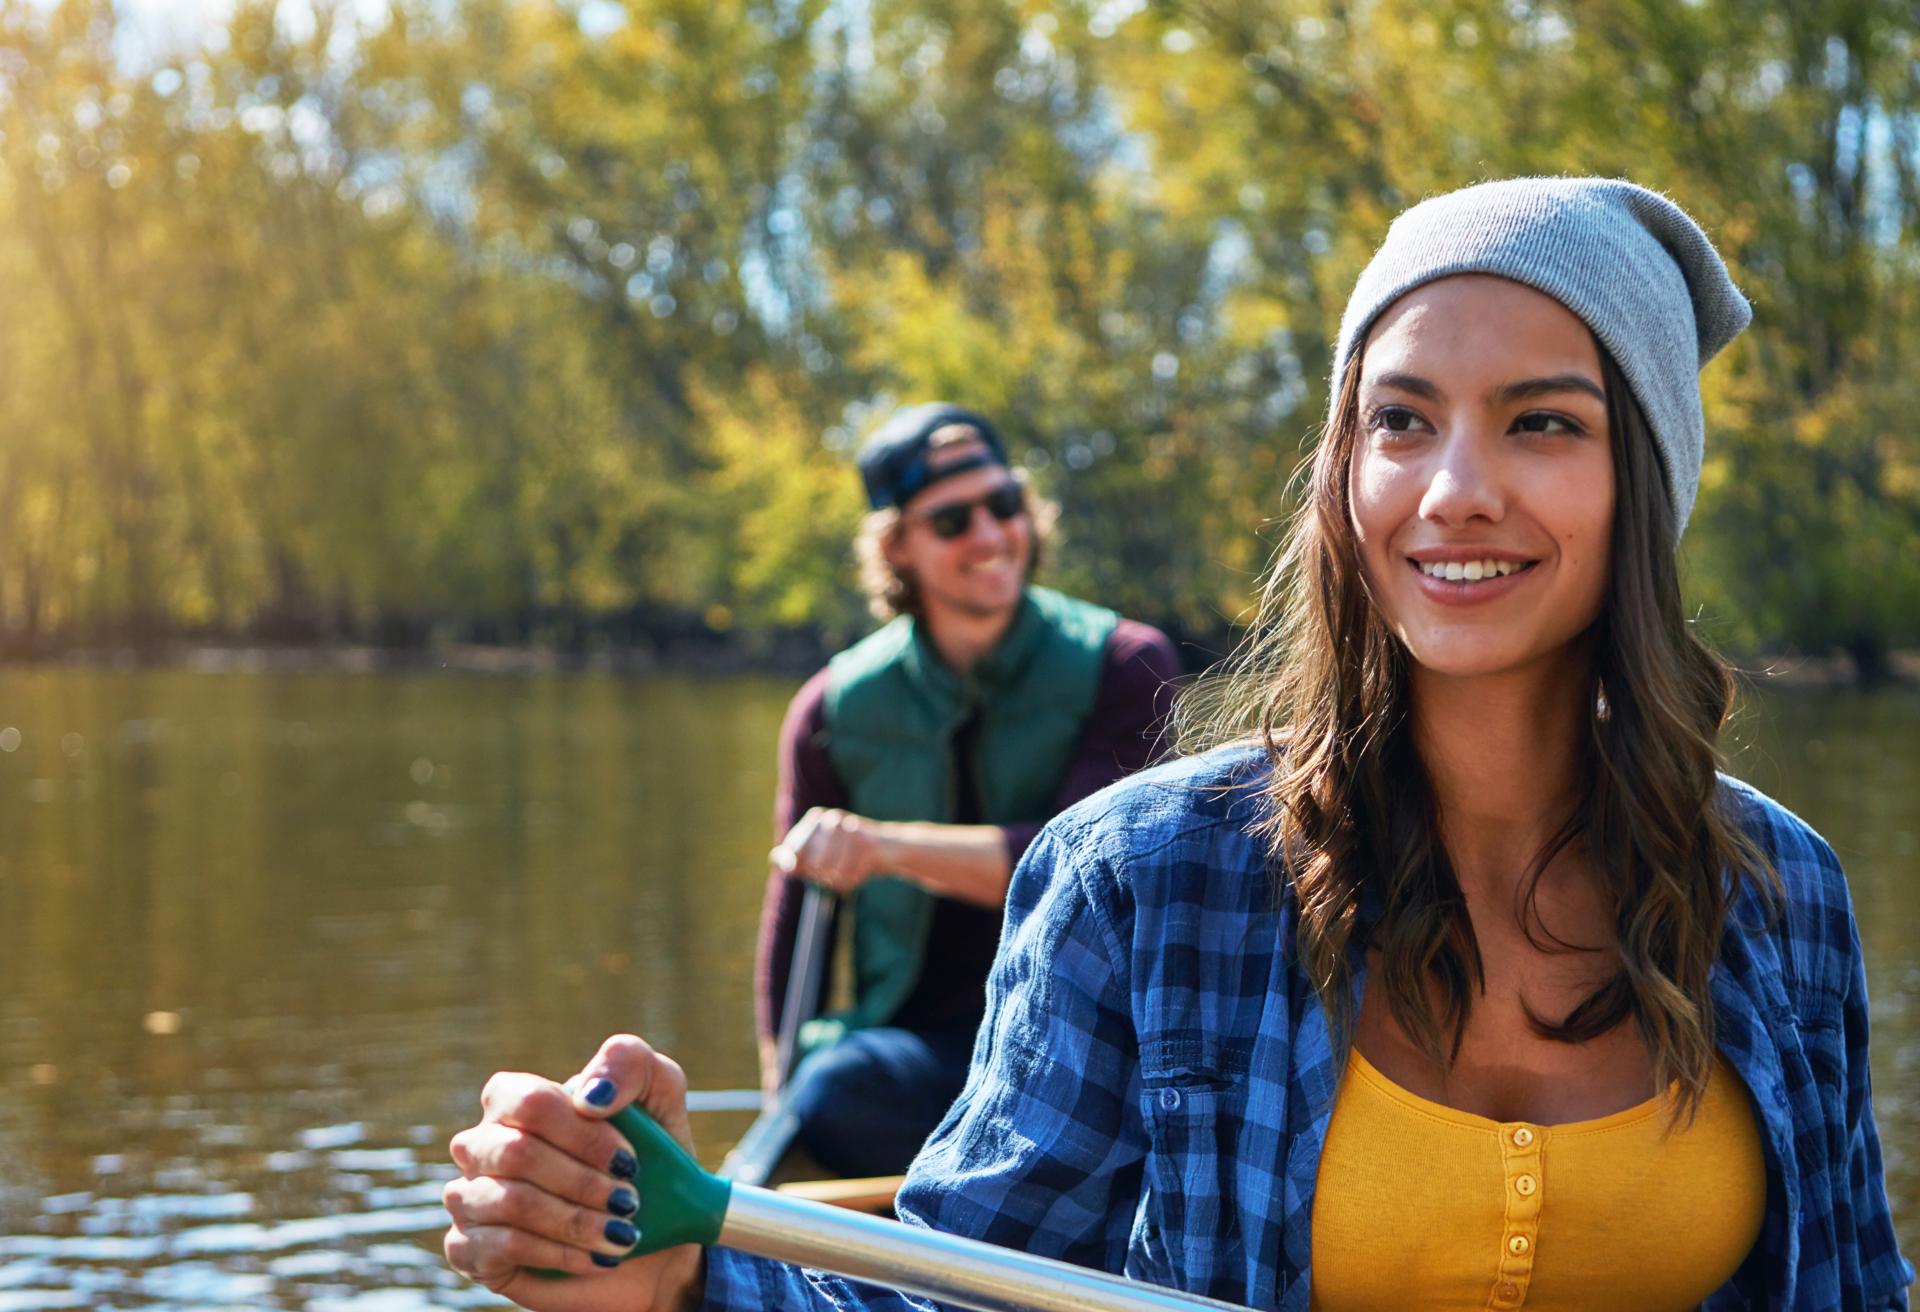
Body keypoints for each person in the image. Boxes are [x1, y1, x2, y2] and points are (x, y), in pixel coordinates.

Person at [441, 179, 1914, 1312]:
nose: (1455, 489)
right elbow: (962, 1296)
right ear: (1343, 478)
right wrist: (684, 1284)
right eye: (1400, 421)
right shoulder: (1142, 880)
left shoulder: (1781, 892)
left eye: (1542, 422)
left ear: (1642, 482)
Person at [750, 402, 1182, 1177]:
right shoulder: (830, 708)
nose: (989, 536)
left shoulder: (1128, 665)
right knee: (832, 1088)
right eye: (951, 521)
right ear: (899, 548)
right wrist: (776, 1102)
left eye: (1004, 505)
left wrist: (880, 847)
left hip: (1090, 1048)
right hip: (922, 1058)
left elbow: (1079, 873)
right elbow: (794, 923)